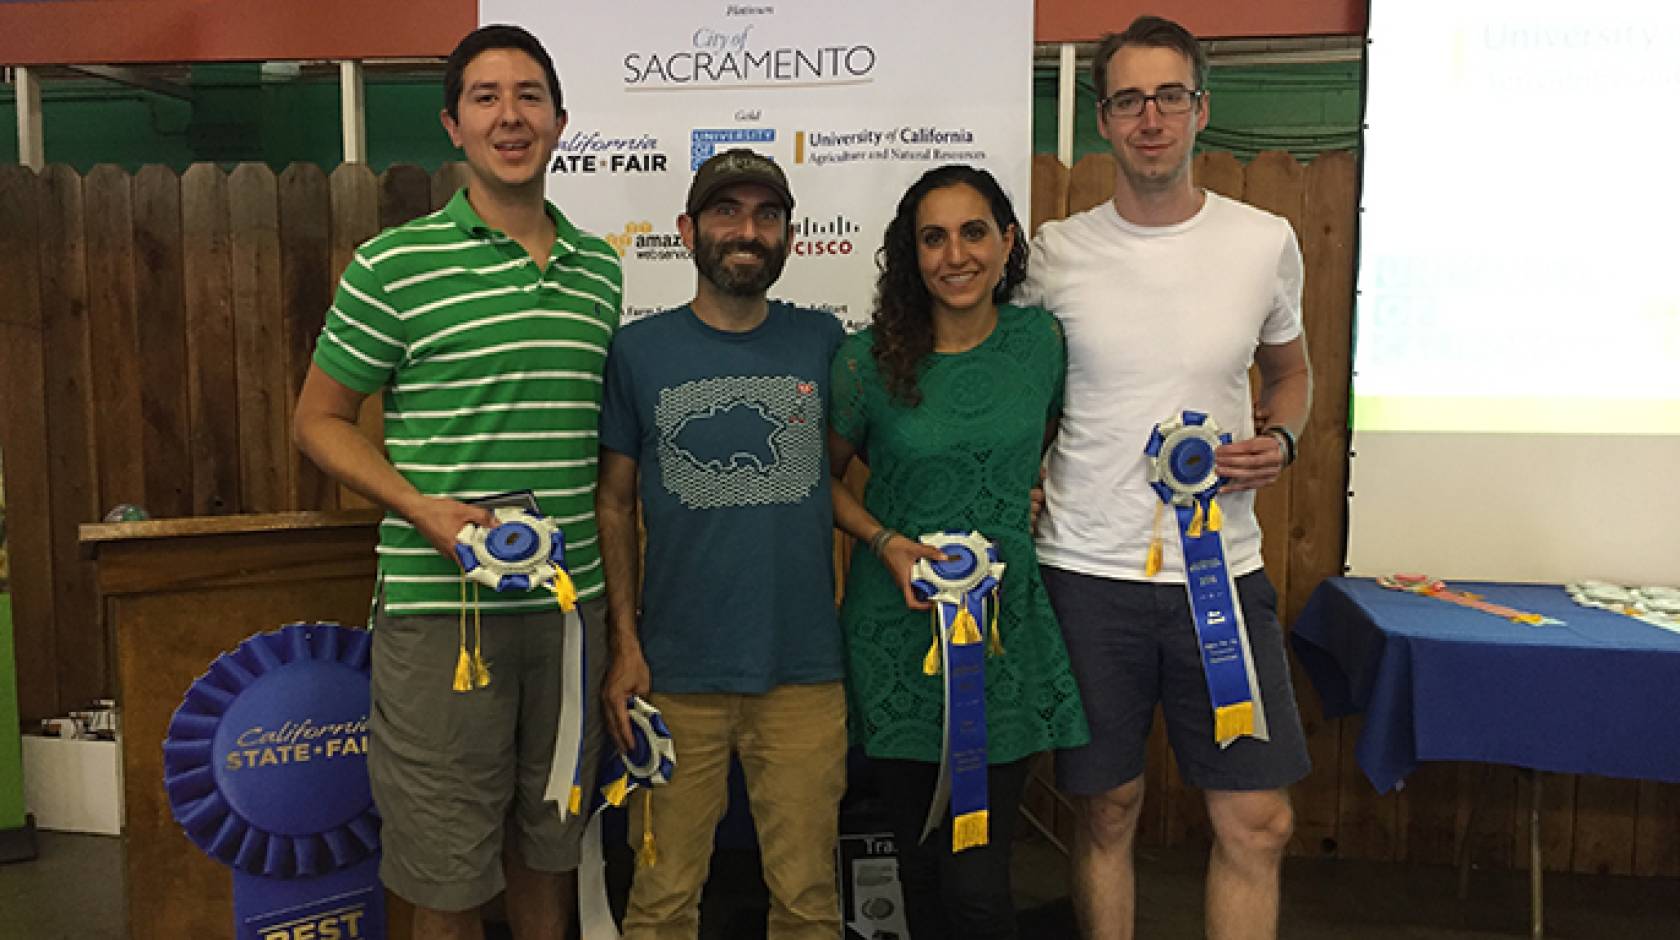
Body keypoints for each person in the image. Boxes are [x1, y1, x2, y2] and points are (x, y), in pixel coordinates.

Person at [293, 24, 617, 940]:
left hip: (569, 616)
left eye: (528, 96)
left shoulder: (600, 270)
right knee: (443, 872)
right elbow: (316, 421)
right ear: (453, 125)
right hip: (444, 618)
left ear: (559, 121)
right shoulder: (393, 266)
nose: (510, 115)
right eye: (486, 97)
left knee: (549, 854)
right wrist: (418, 507)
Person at [1023, 15, 1314, 940]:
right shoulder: (1052, 254)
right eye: (1129, 100)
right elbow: (1015, 391)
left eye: (1170, 97)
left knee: (1258, 822)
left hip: (1223, 572)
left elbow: (1291, 375)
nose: (1151, 118)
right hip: (1087, 571)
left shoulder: (1263, 241)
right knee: (1106, 810)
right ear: (1102, 121)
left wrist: (1287, 440)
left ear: (1201, 110)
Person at [827, 164, 1089, 940]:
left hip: (1003, 643)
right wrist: (885, 541)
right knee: (918, 871)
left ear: (1008, 241)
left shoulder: (1041, 344)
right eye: (932, 238)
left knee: (976, 881)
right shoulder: (865, 361)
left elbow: (1043, 450)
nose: (955, 254)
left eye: (974, 231)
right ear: (911, 255)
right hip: (897, 638)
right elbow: (823, 484)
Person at [594, 148, 848, 940]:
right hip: (675, 677)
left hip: (803, 672)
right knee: (663, 899)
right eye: (727, 213)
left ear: (790, 236)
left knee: (808, 901)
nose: (747, 231)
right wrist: (626, 646)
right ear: (687, 230)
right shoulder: (639, 353)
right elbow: (614, 501)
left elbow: (844, 474)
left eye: (766, 215)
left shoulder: (824, 342)